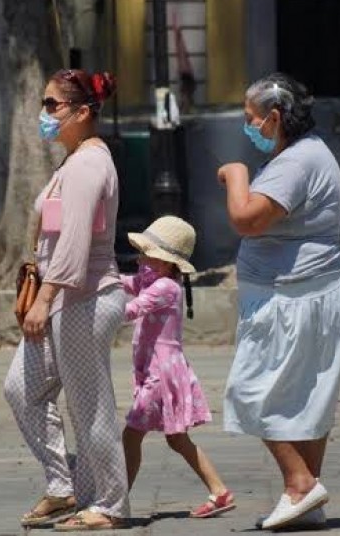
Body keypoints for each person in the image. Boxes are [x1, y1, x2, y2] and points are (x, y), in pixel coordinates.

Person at [219, 73, 340, 530]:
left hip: (293, 300)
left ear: (274, 118)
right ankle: (306, 499)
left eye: (250, 118)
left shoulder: (296, 162)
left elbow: (247, 218)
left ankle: (300, 483)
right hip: (310, 292)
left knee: (248, 392)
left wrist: (236, 175)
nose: (248, 126)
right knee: (304, 401)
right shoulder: (306, 154)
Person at [4, 69, 131, 531]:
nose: (45, 113)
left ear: (82, 112)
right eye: (44, 103)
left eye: (52, 105)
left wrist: (45, 299)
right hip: (64, 297)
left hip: (85, 297)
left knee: (89, 403)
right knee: (21, 388)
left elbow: (75, 241)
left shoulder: (88, 165)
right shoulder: (73, 161)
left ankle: (110, 504)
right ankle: (64, 487)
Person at [120, 216, 235, 519]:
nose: (142, 259)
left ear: (168, 262)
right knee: (177, 438)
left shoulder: (165, 288)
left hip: (161, 373)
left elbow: (131, 308)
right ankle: (219, 491)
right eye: (142, 253)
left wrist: (100, 310)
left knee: (131, 435)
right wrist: (98, 278)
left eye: (149, 255)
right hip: (157, 370)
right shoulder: (153, 280)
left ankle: (117, 502)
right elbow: (125, 283)